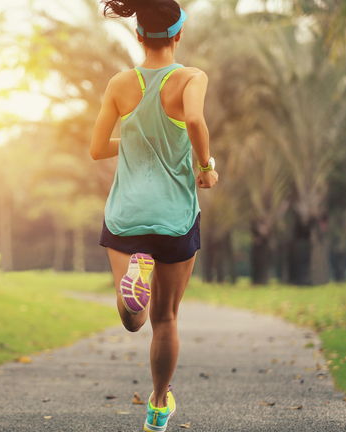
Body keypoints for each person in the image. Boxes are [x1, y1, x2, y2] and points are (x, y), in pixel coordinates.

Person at [89, 1, 219, 431]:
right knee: (166, 319)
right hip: (174, 216)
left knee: (134, 321)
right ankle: (159, 405)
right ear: (178, 35)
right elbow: (196, 120)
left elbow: (95, 149)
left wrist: (132, 137)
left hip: (127, 213)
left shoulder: (119, 84)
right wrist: (205, 167)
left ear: (139, 35)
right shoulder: (190, 78)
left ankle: (134, 284)